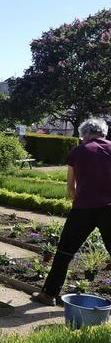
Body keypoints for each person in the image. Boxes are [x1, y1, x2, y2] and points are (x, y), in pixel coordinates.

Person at [34, 118, 111, 306]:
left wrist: (78, 199)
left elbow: (70, 186)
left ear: (85, 134)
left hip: (83, 208)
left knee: (65, 252)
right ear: (103, 133)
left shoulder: (79, 151)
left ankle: (48, 294)